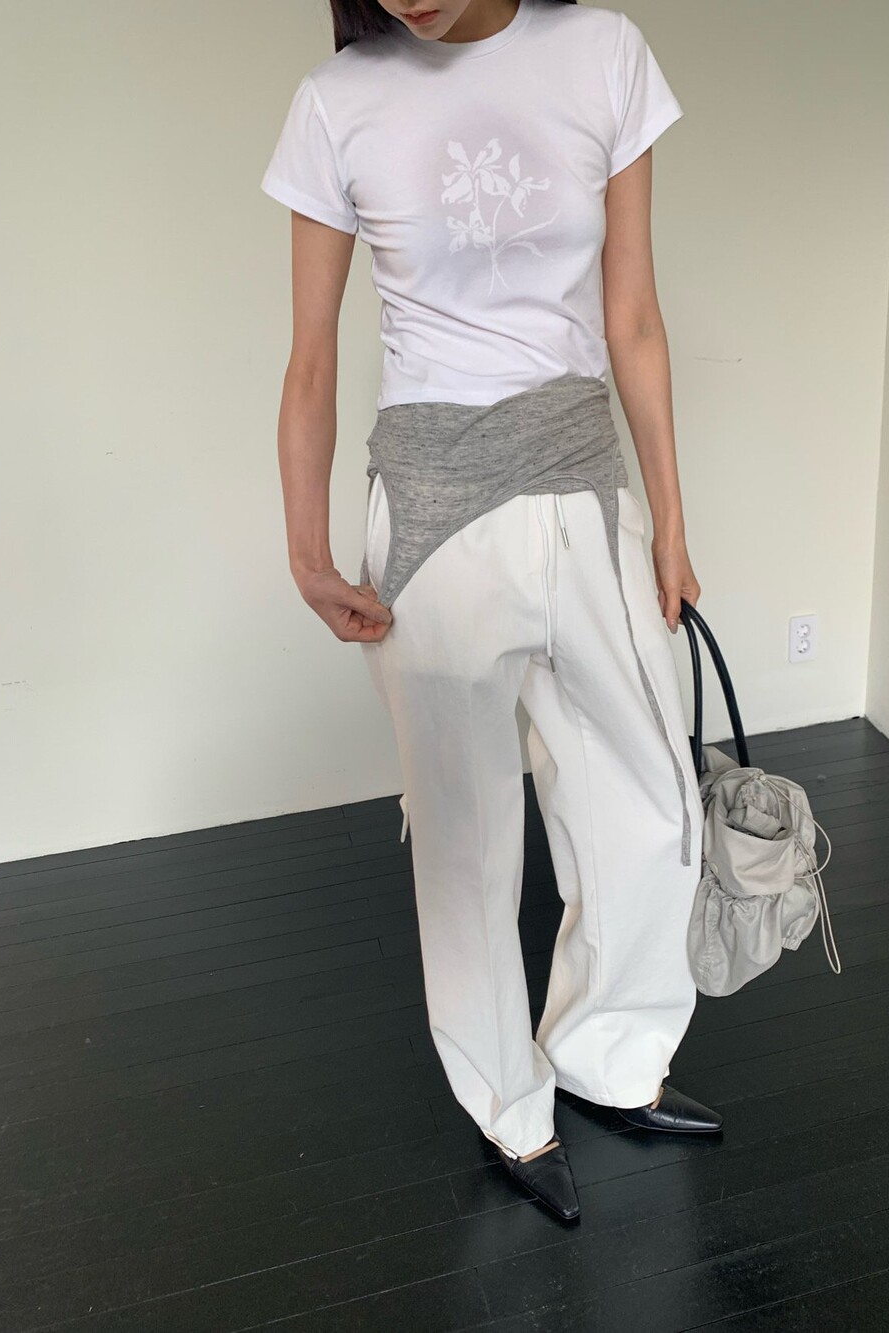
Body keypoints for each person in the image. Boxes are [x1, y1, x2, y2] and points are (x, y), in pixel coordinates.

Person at [260, 0, 723, 1223]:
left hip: (583, 479)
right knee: (465, 836)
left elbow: (632, 315)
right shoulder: (338, 102)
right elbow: (312, 355)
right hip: (432, 506)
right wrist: (306, 549)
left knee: (648, 802)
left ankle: (608, 1054)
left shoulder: (602, 54)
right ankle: (510, 1110)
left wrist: (670, 520)